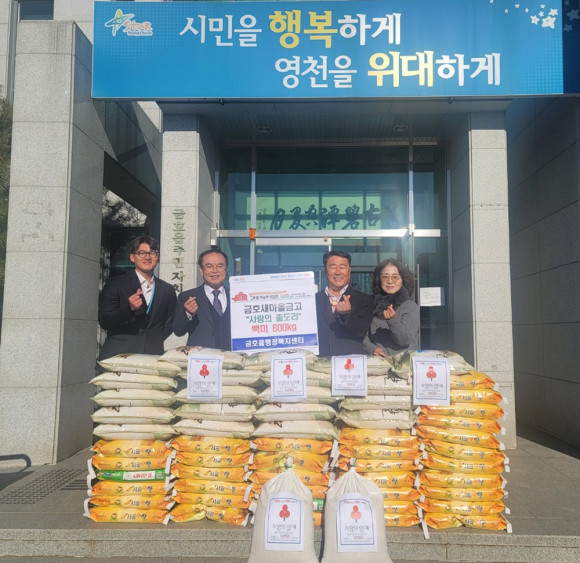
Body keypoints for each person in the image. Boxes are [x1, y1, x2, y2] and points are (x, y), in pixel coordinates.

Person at [98, 235, 177, 364]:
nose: (147, 257)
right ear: (132, 257)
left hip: (152, 358)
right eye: (142, 253)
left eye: (152, 253)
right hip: (118, 358)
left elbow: (170, 323)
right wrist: (129, 309)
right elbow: (104, 321)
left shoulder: (167, 290)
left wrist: (152, 340)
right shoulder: (116, 283)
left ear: (158, 258)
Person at [315, 250, 373, 357]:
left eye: (342, 267)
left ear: (349, 270)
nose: (338, 272)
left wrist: (346, 315)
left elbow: (361, 331)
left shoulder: (364, 299)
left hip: (350, 362)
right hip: (320, 362)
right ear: (325, 271)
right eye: (333, 267)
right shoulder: (313, 300)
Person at [173, 248, 231, 350]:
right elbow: (178, 331)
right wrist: (188, 314)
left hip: (232, 356)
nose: (215, 270)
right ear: (201, 270)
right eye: (209, 266)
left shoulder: (236, 296)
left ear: (225, 269)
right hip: (200, 357)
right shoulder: (187, 297)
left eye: (220, 266)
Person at [363, 258, 420, 356]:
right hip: (379, 362)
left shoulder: (410, 306)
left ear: (403, 280)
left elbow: (404, 341)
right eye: (385, 277)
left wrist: (393, 321)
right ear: (379, 279)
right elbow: (362, 335)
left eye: (395, 277)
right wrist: (371, 348)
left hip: (404, 361)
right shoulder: (370, 304)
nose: (390, 281)